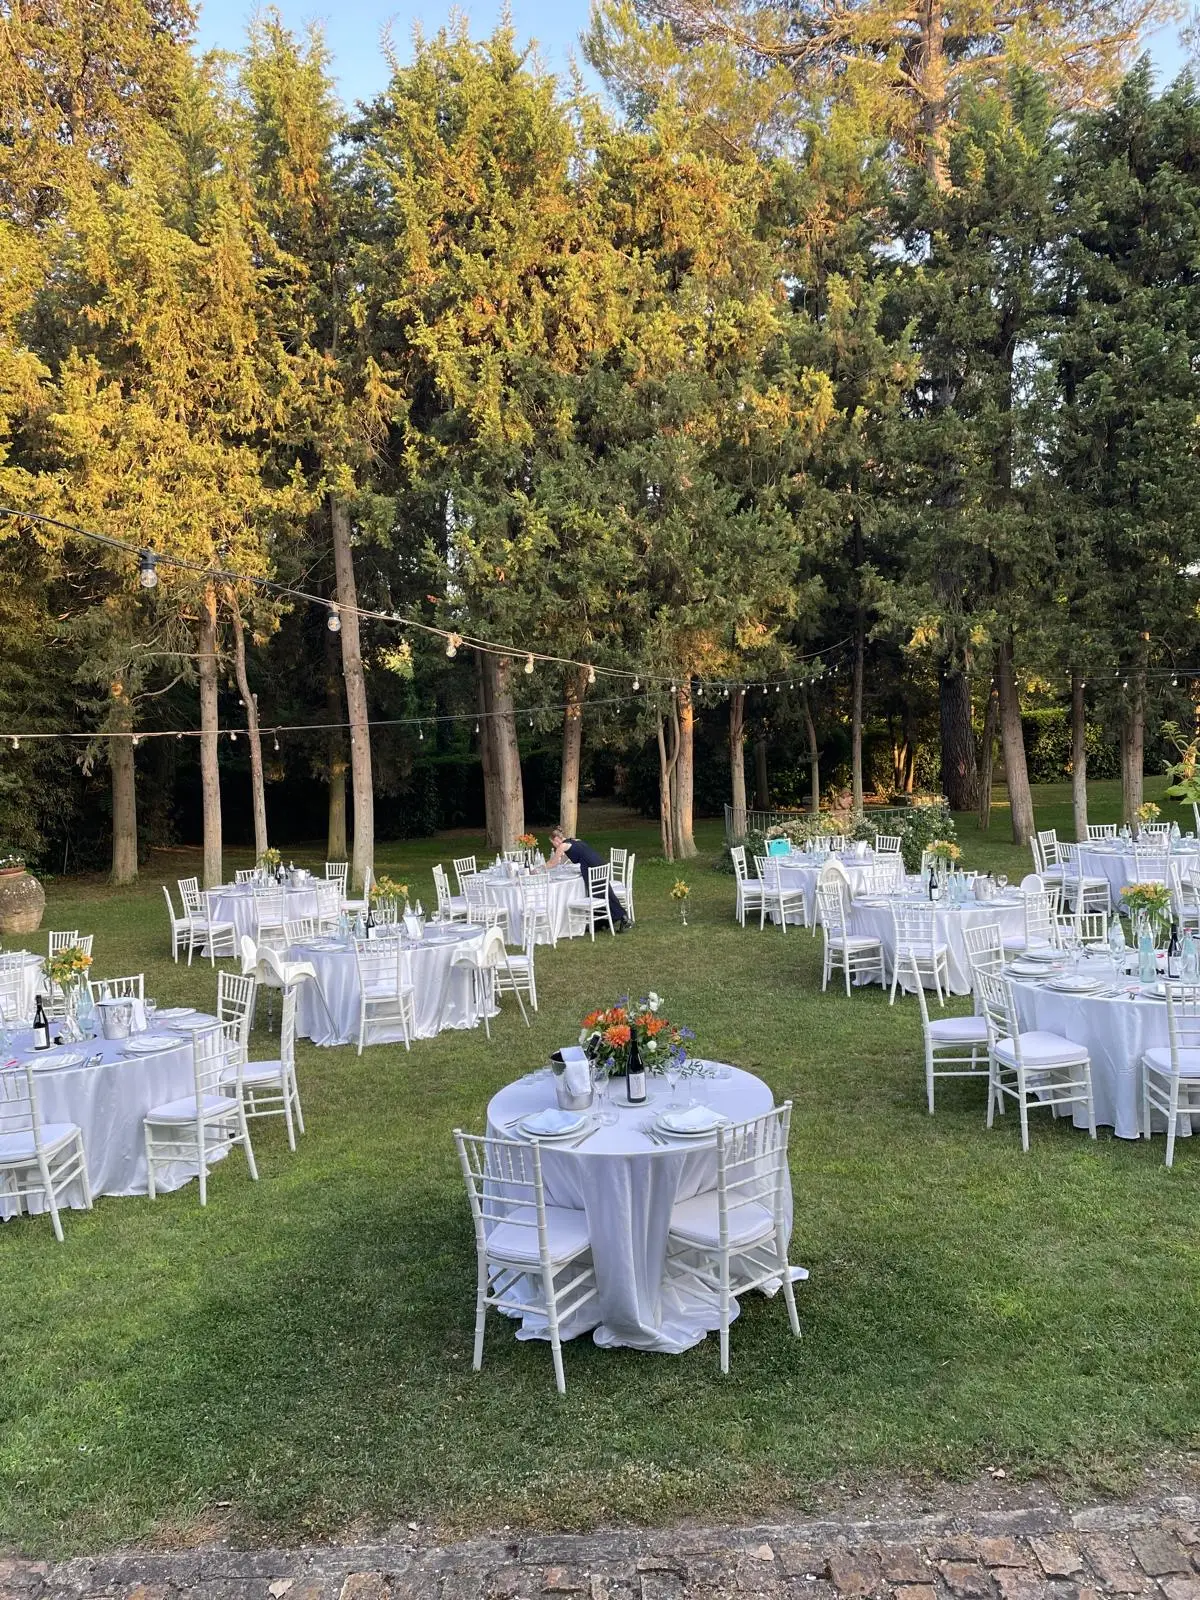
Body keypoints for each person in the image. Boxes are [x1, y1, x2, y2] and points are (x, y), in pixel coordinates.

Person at [548, 825, 629, 931]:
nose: (554, 846)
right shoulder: (575, 840)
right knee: (604, 893)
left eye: (553, 843)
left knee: (599, 894)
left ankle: (620, 917)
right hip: (599, 864)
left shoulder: (563, 846)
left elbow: (553, 862)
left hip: (591, 867)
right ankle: (603, 922)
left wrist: (538, 869)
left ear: (557, 839)